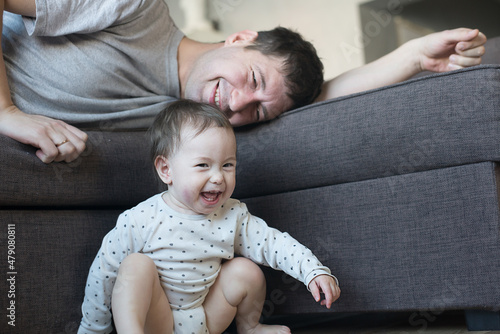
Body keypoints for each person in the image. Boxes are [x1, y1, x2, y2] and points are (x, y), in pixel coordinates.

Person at [0, 0, 487, 164]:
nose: (236, 105)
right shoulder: (135, 10)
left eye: (257, 111)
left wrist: (411, 57)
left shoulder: (186, 121)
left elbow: (324, 100)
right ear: (240, 37)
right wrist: (7, 114)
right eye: (251, 77)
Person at [77, 99, 341, 334]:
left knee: (245, 270)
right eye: (203, 165)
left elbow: (273, 243)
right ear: (166, 170)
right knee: (135, 265)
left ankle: (250, 327)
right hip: (156, 321)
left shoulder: (232, 214)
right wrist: (92, 328)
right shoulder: (141, 218)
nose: (218, 177)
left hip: (206, 317)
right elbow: (104, 272)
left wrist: (312, 271)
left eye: (228, 165)